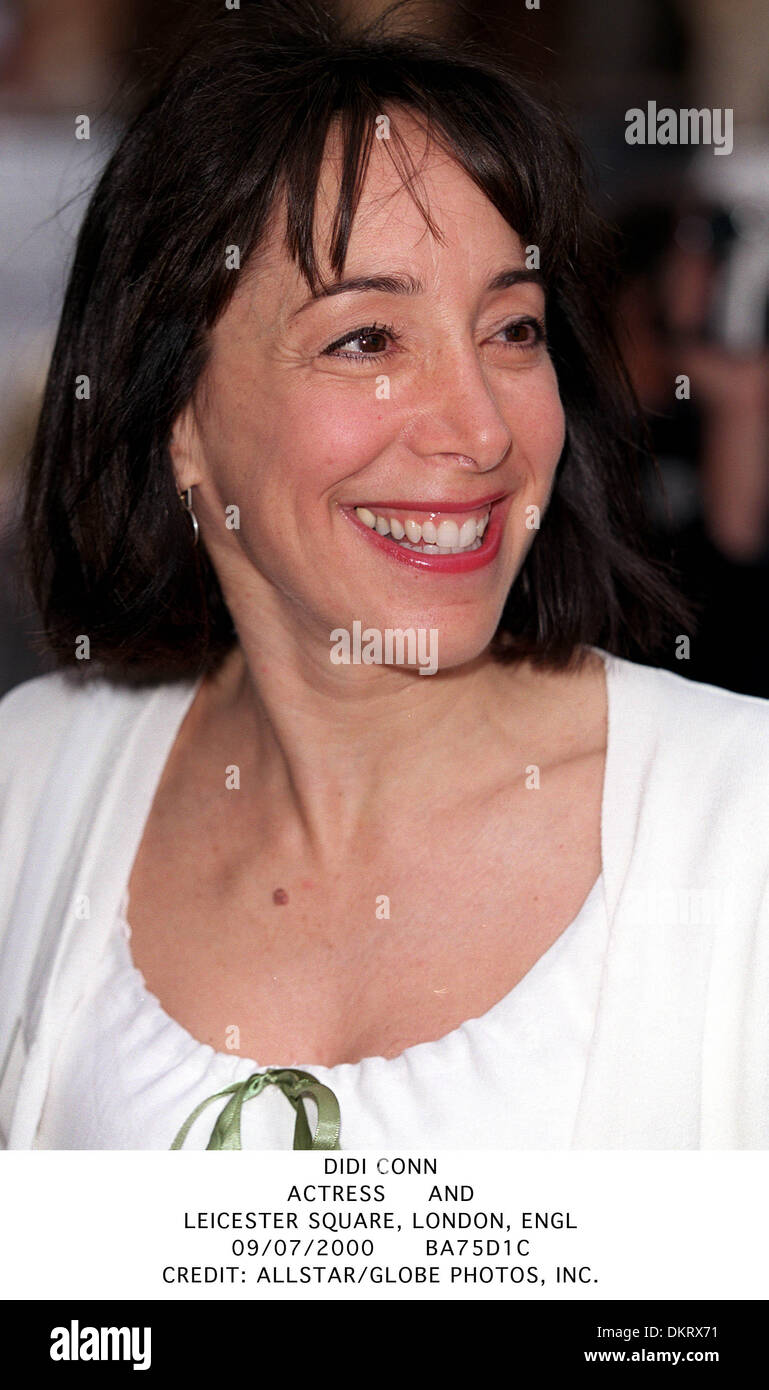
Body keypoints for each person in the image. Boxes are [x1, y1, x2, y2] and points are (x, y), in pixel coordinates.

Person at [1, 1, 768, 1151]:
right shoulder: (31, 783)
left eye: (513, 331)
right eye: (367, 340)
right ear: (176, 419)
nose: (480, 431)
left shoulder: (735, 830)